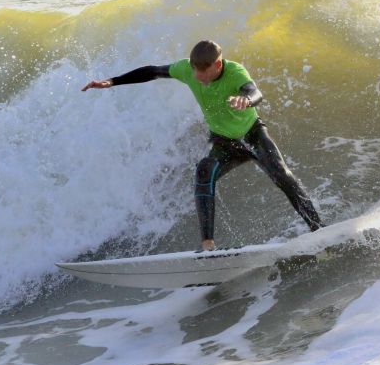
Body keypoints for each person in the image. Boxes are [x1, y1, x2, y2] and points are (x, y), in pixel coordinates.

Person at [82, 39, 323, 251]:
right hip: (224, 141)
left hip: (252, 134)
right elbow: (153, 71)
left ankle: (318, 228)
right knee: (204, 172)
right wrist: (112, 81)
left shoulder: (235, 72)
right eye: (195, 71)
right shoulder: (187, 69)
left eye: (203, 72)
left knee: (281, 173)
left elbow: (255, 92)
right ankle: (208, 246)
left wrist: (246, 100)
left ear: (217, 65)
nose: (197, 77)